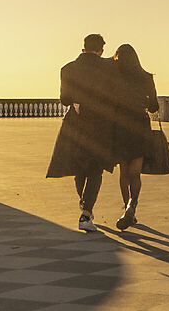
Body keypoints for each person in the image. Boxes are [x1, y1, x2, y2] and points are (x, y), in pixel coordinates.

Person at [45, 33, 125, 228]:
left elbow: (64, 99)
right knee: (95, 170)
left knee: (79, 167)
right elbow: (115, 97)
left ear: (83, 48)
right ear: (101, 50)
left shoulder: (68, 69)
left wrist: (77, 101)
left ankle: (84, 202)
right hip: (100, 124)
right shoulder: (109, 68)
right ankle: (86, 213)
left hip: (76, 123)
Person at [107, 43, 164, 230]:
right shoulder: (146, 77)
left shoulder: (115, 77)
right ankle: (133, 206)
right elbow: (154, 106)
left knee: (124, 172)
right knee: (135, 173)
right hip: (139, 124)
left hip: (120, 125)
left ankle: (126, 209)